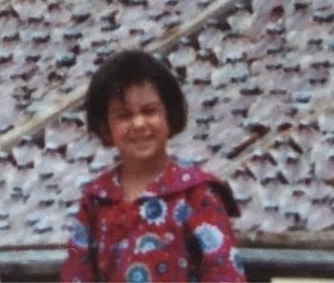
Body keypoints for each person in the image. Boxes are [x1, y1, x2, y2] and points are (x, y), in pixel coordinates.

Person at [60, 49, 245, 282]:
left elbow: (225, 274)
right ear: (106, 127)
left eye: (149, 111)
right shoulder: (96, 201)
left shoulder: (197, 195)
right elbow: (76, 274)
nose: (138, 123)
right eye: (124, 115)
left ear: (170, 114)